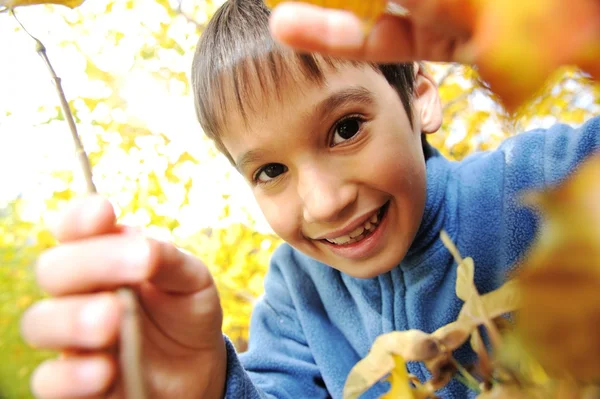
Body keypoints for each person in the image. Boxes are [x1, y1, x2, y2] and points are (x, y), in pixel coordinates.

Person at [20, 0, 600, 398]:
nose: (323, 203)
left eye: (346, 129)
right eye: (271, 169)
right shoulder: (296, 298)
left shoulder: (543, 180)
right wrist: (208, 386)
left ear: (420, 96)